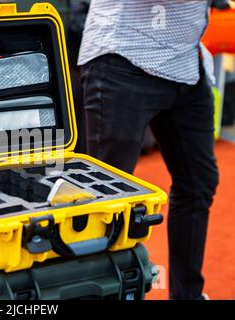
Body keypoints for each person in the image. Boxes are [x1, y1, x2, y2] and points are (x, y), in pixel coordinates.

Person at [77, 0, 231, 300]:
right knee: (108, 197)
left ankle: (188, 295)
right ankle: (102, 294)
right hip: (123, 58)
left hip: (185, 64)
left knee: (199, 183)